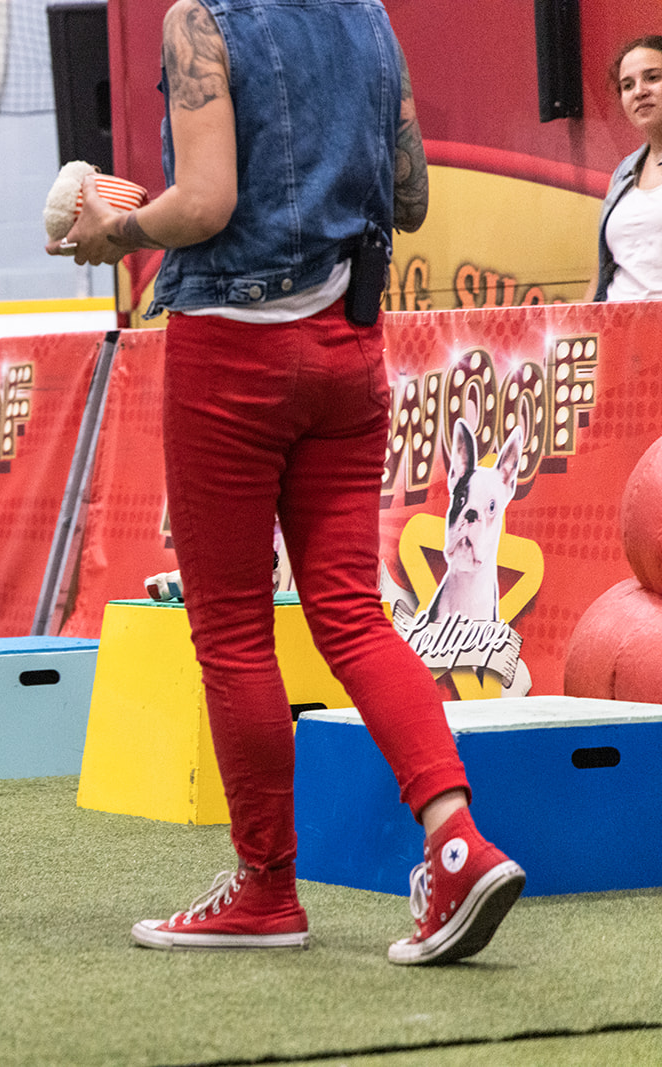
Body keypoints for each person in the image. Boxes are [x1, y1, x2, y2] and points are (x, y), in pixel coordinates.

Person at [49, 0, 523, 964]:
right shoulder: (370, 18)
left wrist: (116, 231)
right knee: (352, 615)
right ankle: (457, 843)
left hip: (232, 354)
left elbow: (205, 204)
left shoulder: (200, 21)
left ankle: (266, 889)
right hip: (349, 350)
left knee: (232, 633)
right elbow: (411, 196)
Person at [588, 36, 662, 302]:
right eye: (627, 85)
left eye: (652, 77)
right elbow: (600, 274)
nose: (639, 91)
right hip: (616, 322)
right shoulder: (623, 173)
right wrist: (582, 320)